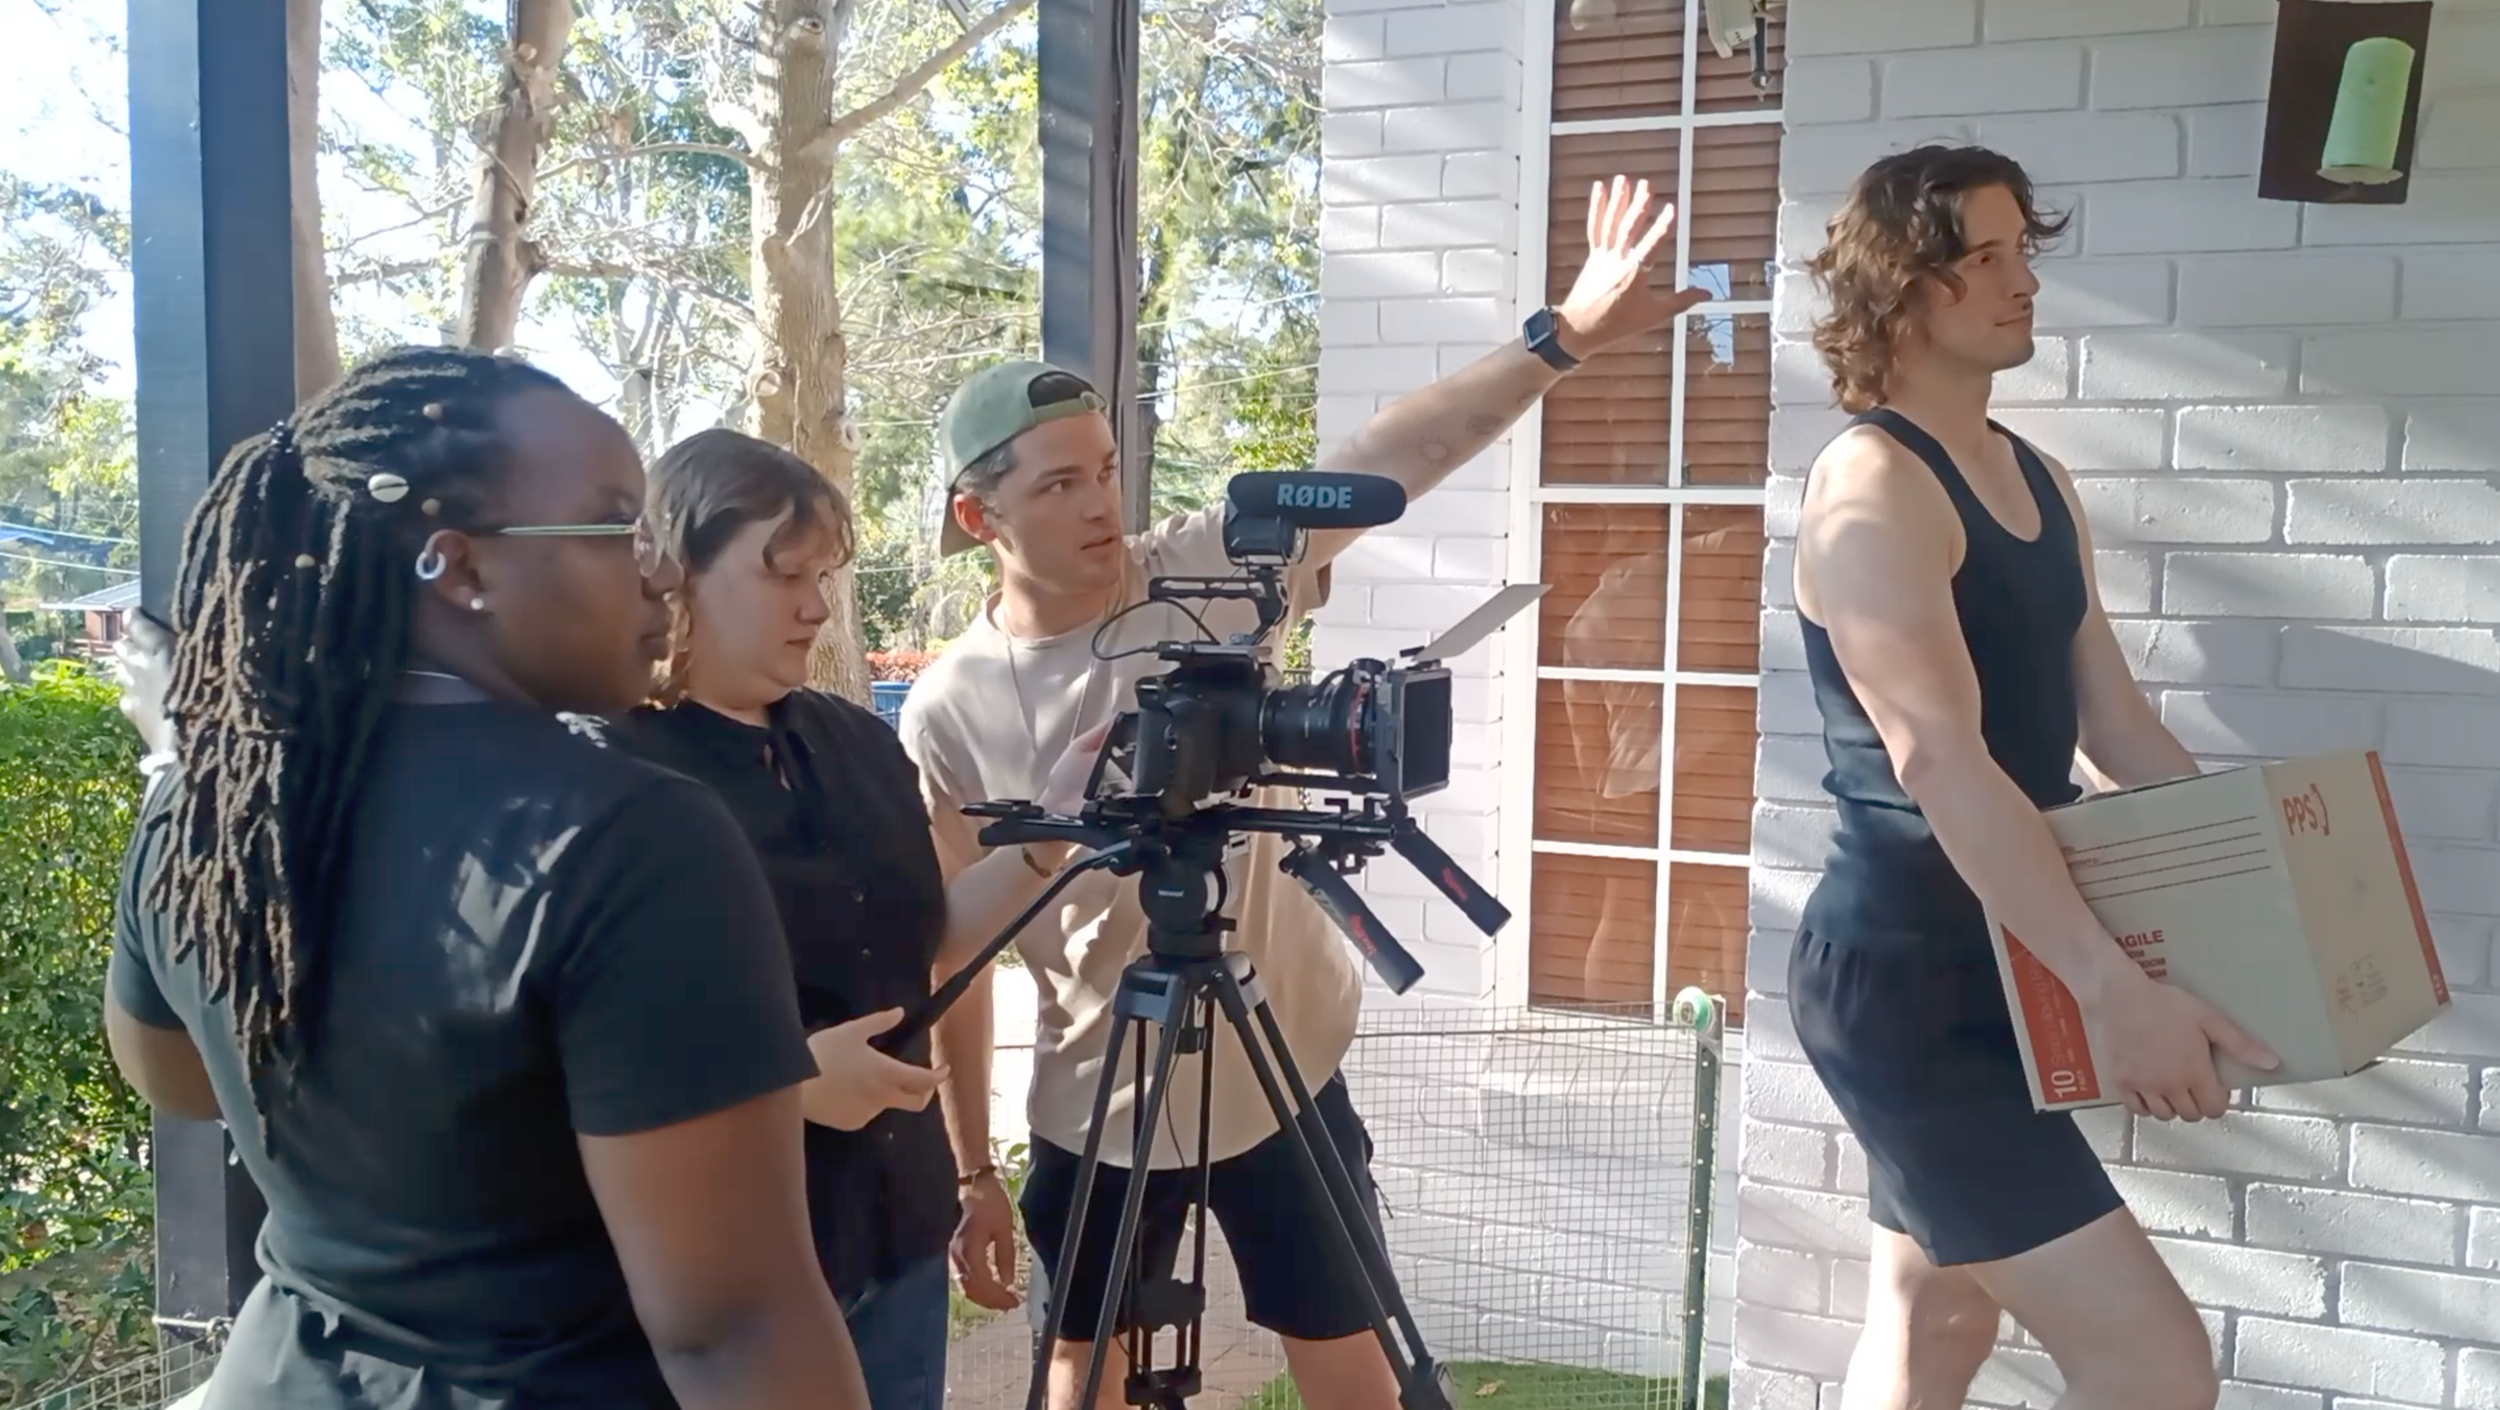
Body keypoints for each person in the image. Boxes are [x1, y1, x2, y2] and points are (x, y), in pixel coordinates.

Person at [901, 174, 1705, 1410]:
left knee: (1345, 1355)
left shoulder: (1203, 571)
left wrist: (1563, 339)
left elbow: (1392, 455)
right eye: (1057, 484)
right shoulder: (951, 705)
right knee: (1083, 1372)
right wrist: (970, 1173)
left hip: (1280, 1052)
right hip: (1098, 1091)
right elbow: (945, 959)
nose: (1100, 502)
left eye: (1105, 468)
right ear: (979, 513)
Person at [102, 345, 870, 1410]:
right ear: (460, 569)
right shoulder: (628, 836)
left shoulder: (207, 810)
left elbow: (180, 1082)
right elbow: (736, 1328)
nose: (658, 570)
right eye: (613, 525)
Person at [1786, 144, 2280, 1410]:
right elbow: (1941, 762)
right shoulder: (1871, 485)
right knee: (2156, 1369)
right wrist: (2110, 990)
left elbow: (2111, 728)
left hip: (2008, 964)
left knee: (1937, 1319)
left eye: (2025, 253)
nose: (2025, 284)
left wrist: (2265, 881)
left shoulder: (2036, 480)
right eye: (1986, 257)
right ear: (1902, 284)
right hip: (1907, 988)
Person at [618, 428, 1107, 1410]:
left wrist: (1050, 832)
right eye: (780, 576)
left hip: (894, 1232)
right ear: (674, 573)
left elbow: (923, 947)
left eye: (824, 574)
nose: (815, 605)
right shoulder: (613, 769)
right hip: (733, 1271)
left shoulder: (852, 740)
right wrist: (787, 1085)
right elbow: (582, 1038)